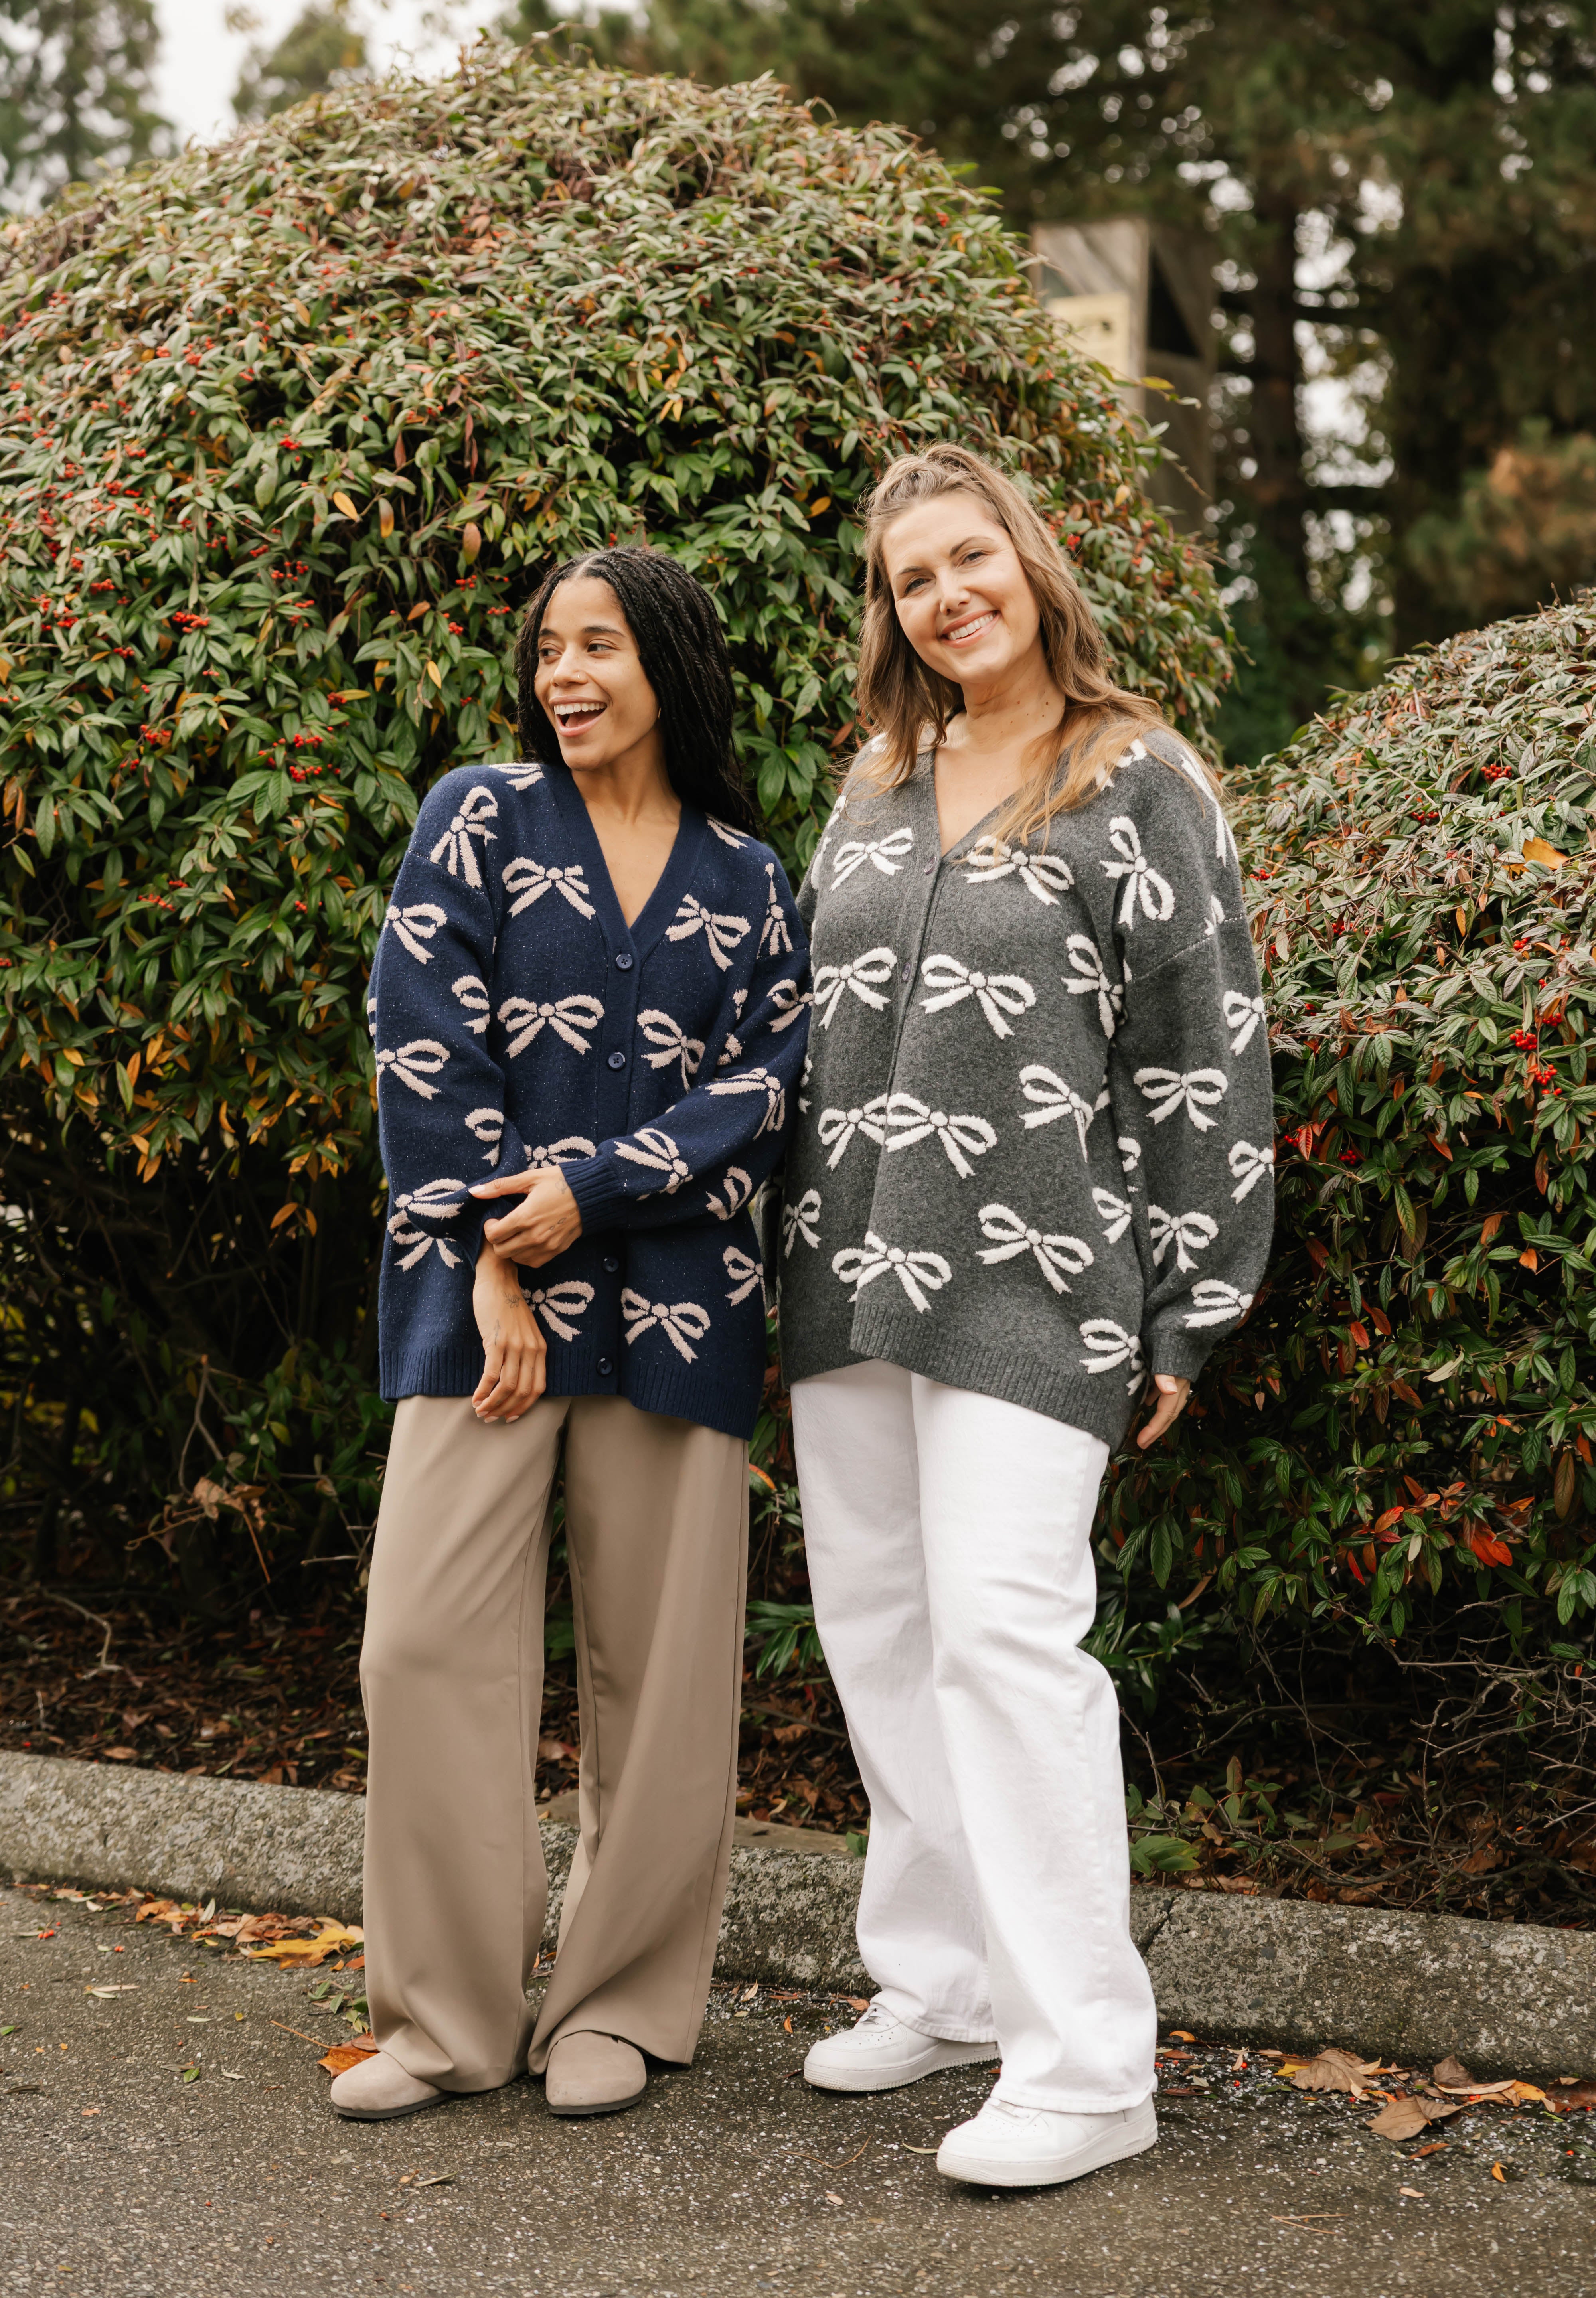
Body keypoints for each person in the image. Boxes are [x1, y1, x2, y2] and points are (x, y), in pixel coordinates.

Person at [776, 444, 1274, 2188]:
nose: (946, 595)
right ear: (894, 612)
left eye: (968, 558)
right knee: (883, 1629)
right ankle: (949, 1981)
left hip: (1037, 1276)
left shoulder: (1135, 778)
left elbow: (1206, 1053)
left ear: (1030, 566)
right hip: (844, 1267)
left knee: (1003, 1636)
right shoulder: (879, 771)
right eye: (913, 579)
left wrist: (1189, 1306)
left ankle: (1086, 2063)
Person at [334, 546, 809, 2123]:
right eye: (547, 650)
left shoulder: (749, 875)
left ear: (668, 662)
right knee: (422, 1643)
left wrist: (587, 1196)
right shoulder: (479, 817)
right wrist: (494, 1255)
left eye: (599, 645)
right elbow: (421, 1039)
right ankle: (447, 2019)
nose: (567, 676)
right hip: (479, 1311)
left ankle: (616, 2005)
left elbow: (761, 1091)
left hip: (681, 1309)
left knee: (663, 1674)